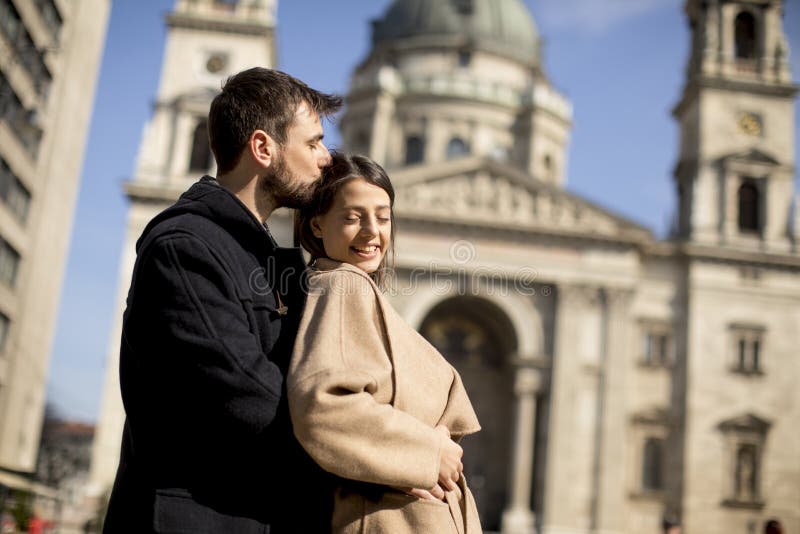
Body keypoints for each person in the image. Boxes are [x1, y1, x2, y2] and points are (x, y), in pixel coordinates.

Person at [103, 68, 342, 533]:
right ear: (263, 148)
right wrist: (394, 456)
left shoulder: (267, 257)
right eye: (312, 143)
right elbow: (252, 399)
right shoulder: (185, 247)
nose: (326, 158)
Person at [289, 152, 483, 533]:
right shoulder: (344, 285)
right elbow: (323, 407)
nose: (371, 232)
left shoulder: (357, 291)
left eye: (382, 216)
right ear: (316, 225)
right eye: (352, 217)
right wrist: (425, 454)